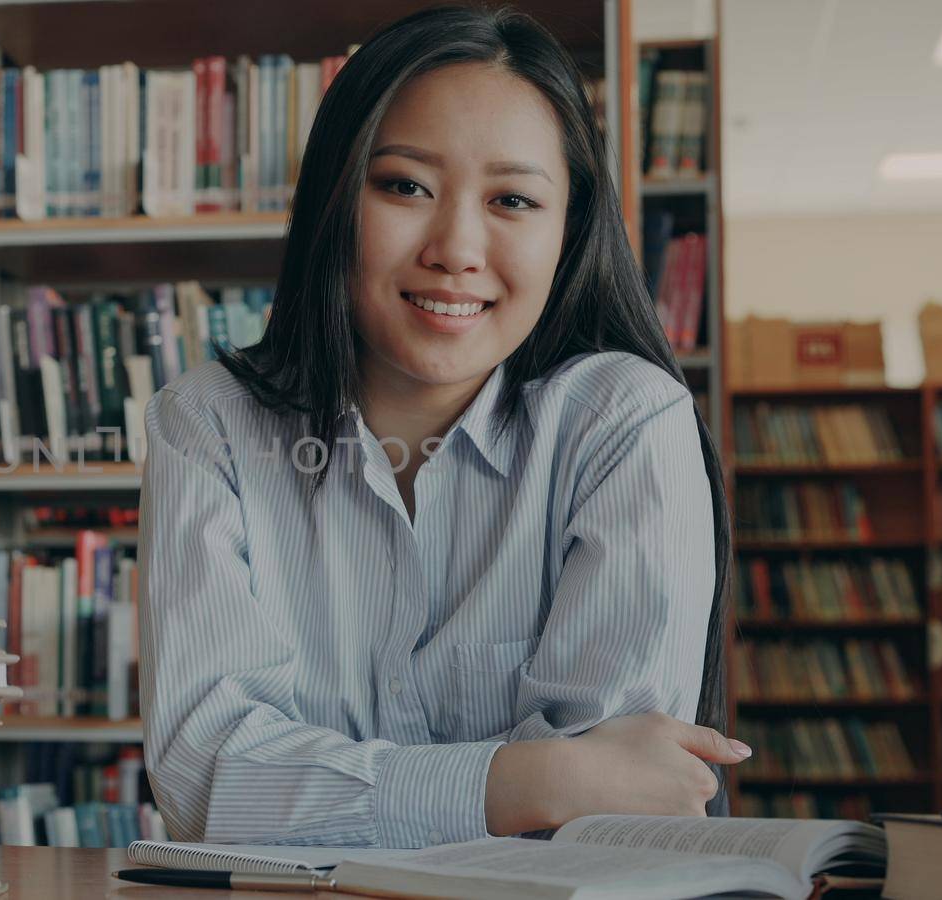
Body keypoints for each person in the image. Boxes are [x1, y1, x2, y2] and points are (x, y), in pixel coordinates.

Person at [138, 3, 747, 849]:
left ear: (569, 232)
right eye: (405, 186)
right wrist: (532, 776)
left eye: (512, 199)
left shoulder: (625, 424)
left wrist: (308, 793)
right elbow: (205, 785)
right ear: (335, 199)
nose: (457, 247)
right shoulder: (206, 424)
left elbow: (614, 807)